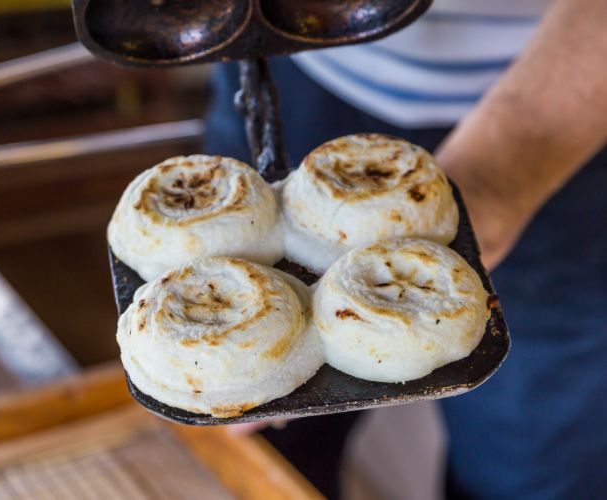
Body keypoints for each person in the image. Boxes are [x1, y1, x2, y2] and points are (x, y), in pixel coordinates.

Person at [204, 0, 607, 498]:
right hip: (291, 59)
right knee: (265, 447)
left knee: (528, 469)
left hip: (563, 91)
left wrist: (500, 174)